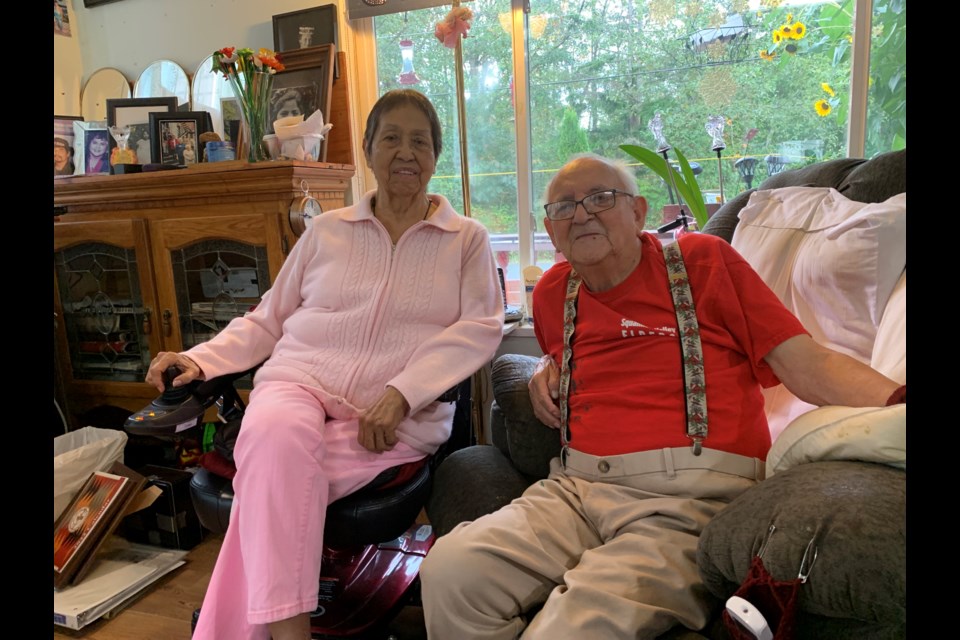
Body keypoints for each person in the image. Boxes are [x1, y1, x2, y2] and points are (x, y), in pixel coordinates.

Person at [419, 153, 906, 639]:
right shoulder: (551, 292)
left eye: (600, 198)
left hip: (687, 501)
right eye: (563, 207)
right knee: (450, 571)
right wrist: (544, 369)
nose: (582, 213)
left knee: (571, 630)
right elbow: (564, 358)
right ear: (551, 230)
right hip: (573, 489)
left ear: (639, 212)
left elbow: (807, 363)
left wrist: (897, 402)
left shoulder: (703, 261)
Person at [146, 88, 504, 640]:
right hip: (299, 383)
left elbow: (478, 329)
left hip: (389, 419)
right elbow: (268, 319)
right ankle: (291, 632)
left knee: (268, 487)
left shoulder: (466, 240)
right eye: (391, 138)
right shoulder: (326, 231)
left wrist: (404, 391)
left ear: (436, 156)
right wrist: (199, 359)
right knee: (275, 443)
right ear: (367, 149)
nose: (405, 152)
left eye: (420, 142)